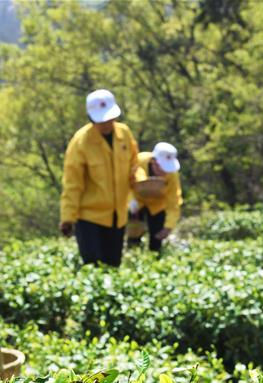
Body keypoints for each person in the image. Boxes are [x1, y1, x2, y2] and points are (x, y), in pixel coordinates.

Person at [59, 89, 139, 266]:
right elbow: (73, 183)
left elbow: (134, 166)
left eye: (110, 118)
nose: (106, 123)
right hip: (90, 217)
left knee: (113, 265)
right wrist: (68, 217)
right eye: (101, 120)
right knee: (93, 265)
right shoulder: (81, 142)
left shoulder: (124, 134)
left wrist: (136, 195)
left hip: (118, 217)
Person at [128, 142, 183, 253]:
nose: (164, 172)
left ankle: (155, 259)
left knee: (157, 237)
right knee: (134, 234)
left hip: (158, 206)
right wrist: (130, 200)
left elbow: (174, 201)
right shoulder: (138, 161)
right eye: (162, 167)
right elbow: (125, 182)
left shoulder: (172, 174)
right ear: (153, 162)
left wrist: (169, 226)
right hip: (137, 203)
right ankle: (132, 253)